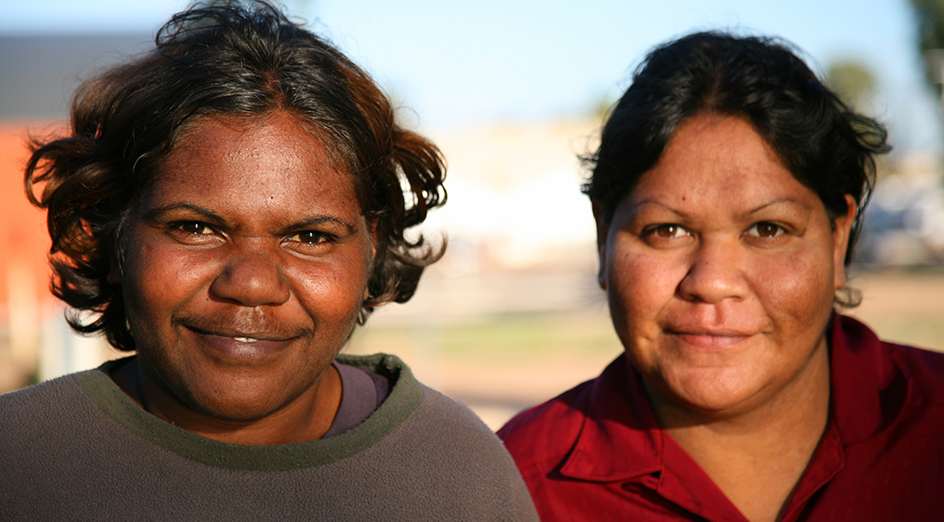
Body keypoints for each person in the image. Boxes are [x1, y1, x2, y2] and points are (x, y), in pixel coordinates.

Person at [0, 2, 538, 520]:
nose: (253, 284)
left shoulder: (457, 474)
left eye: (309, 236)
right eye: (195, 228)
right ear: (116, 235)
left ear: (371, 248)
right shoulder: (21, 462)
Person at [498, 31, 944, 522]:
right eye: (666, 230)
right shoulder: (510, 488)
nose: (710, 282)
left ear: (837, 239)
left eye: (768, 229)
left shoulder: (931, 432)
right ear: (604, 235)